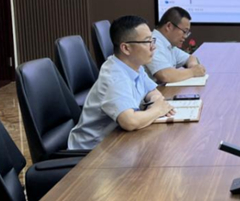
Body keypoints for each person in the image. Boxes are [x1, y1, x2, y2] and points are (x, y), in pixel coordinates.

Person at [68, 16, 174, 150]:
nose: (153, 47)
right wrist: (157, 110)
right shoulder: (114, 77)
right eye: (147, 41)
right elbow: (130, 122)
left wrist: (155, 104)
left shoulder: (135, 65)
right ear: (126, 48)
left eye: (152, 40)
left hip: (116, 142)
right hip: (91, 152)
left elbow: (153, 92)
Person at [146, 7, 206, 83]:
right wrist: (192, 72)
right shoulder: (154, 42)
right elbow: (165, 75)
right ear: (169, 26)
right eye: (184, 31)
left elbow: (190, 58)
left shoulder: (168, 44)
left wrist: (193, 66)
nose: (185, 36)